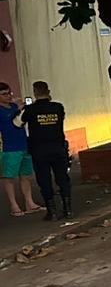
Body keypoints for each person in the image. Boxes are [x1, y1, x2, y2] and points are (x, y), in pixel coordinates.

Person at [20, 81, 71, 221]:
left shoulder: (31, 109)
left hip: (39, 150)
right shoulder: (58, 107)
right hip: (58, 148)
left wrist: (23, 108)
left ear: (35, 93)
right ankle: (68, 209)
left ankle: (52, 212)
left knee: (44, 181)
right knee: (62, 179)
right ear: (48, 91)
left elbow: (18, 123)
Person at [0, 83, 42, 218]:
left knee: (25, 176)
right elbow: (9, 123)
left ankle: (29, 202)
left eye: (9, 93)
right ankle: (14, 205)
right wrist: (17, 110)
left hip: (23, 143)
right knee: (9, 177)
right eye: (4, 94)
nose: (8, 96)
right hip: (9, 147)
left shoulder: (13, 106)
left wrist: (23, 109)